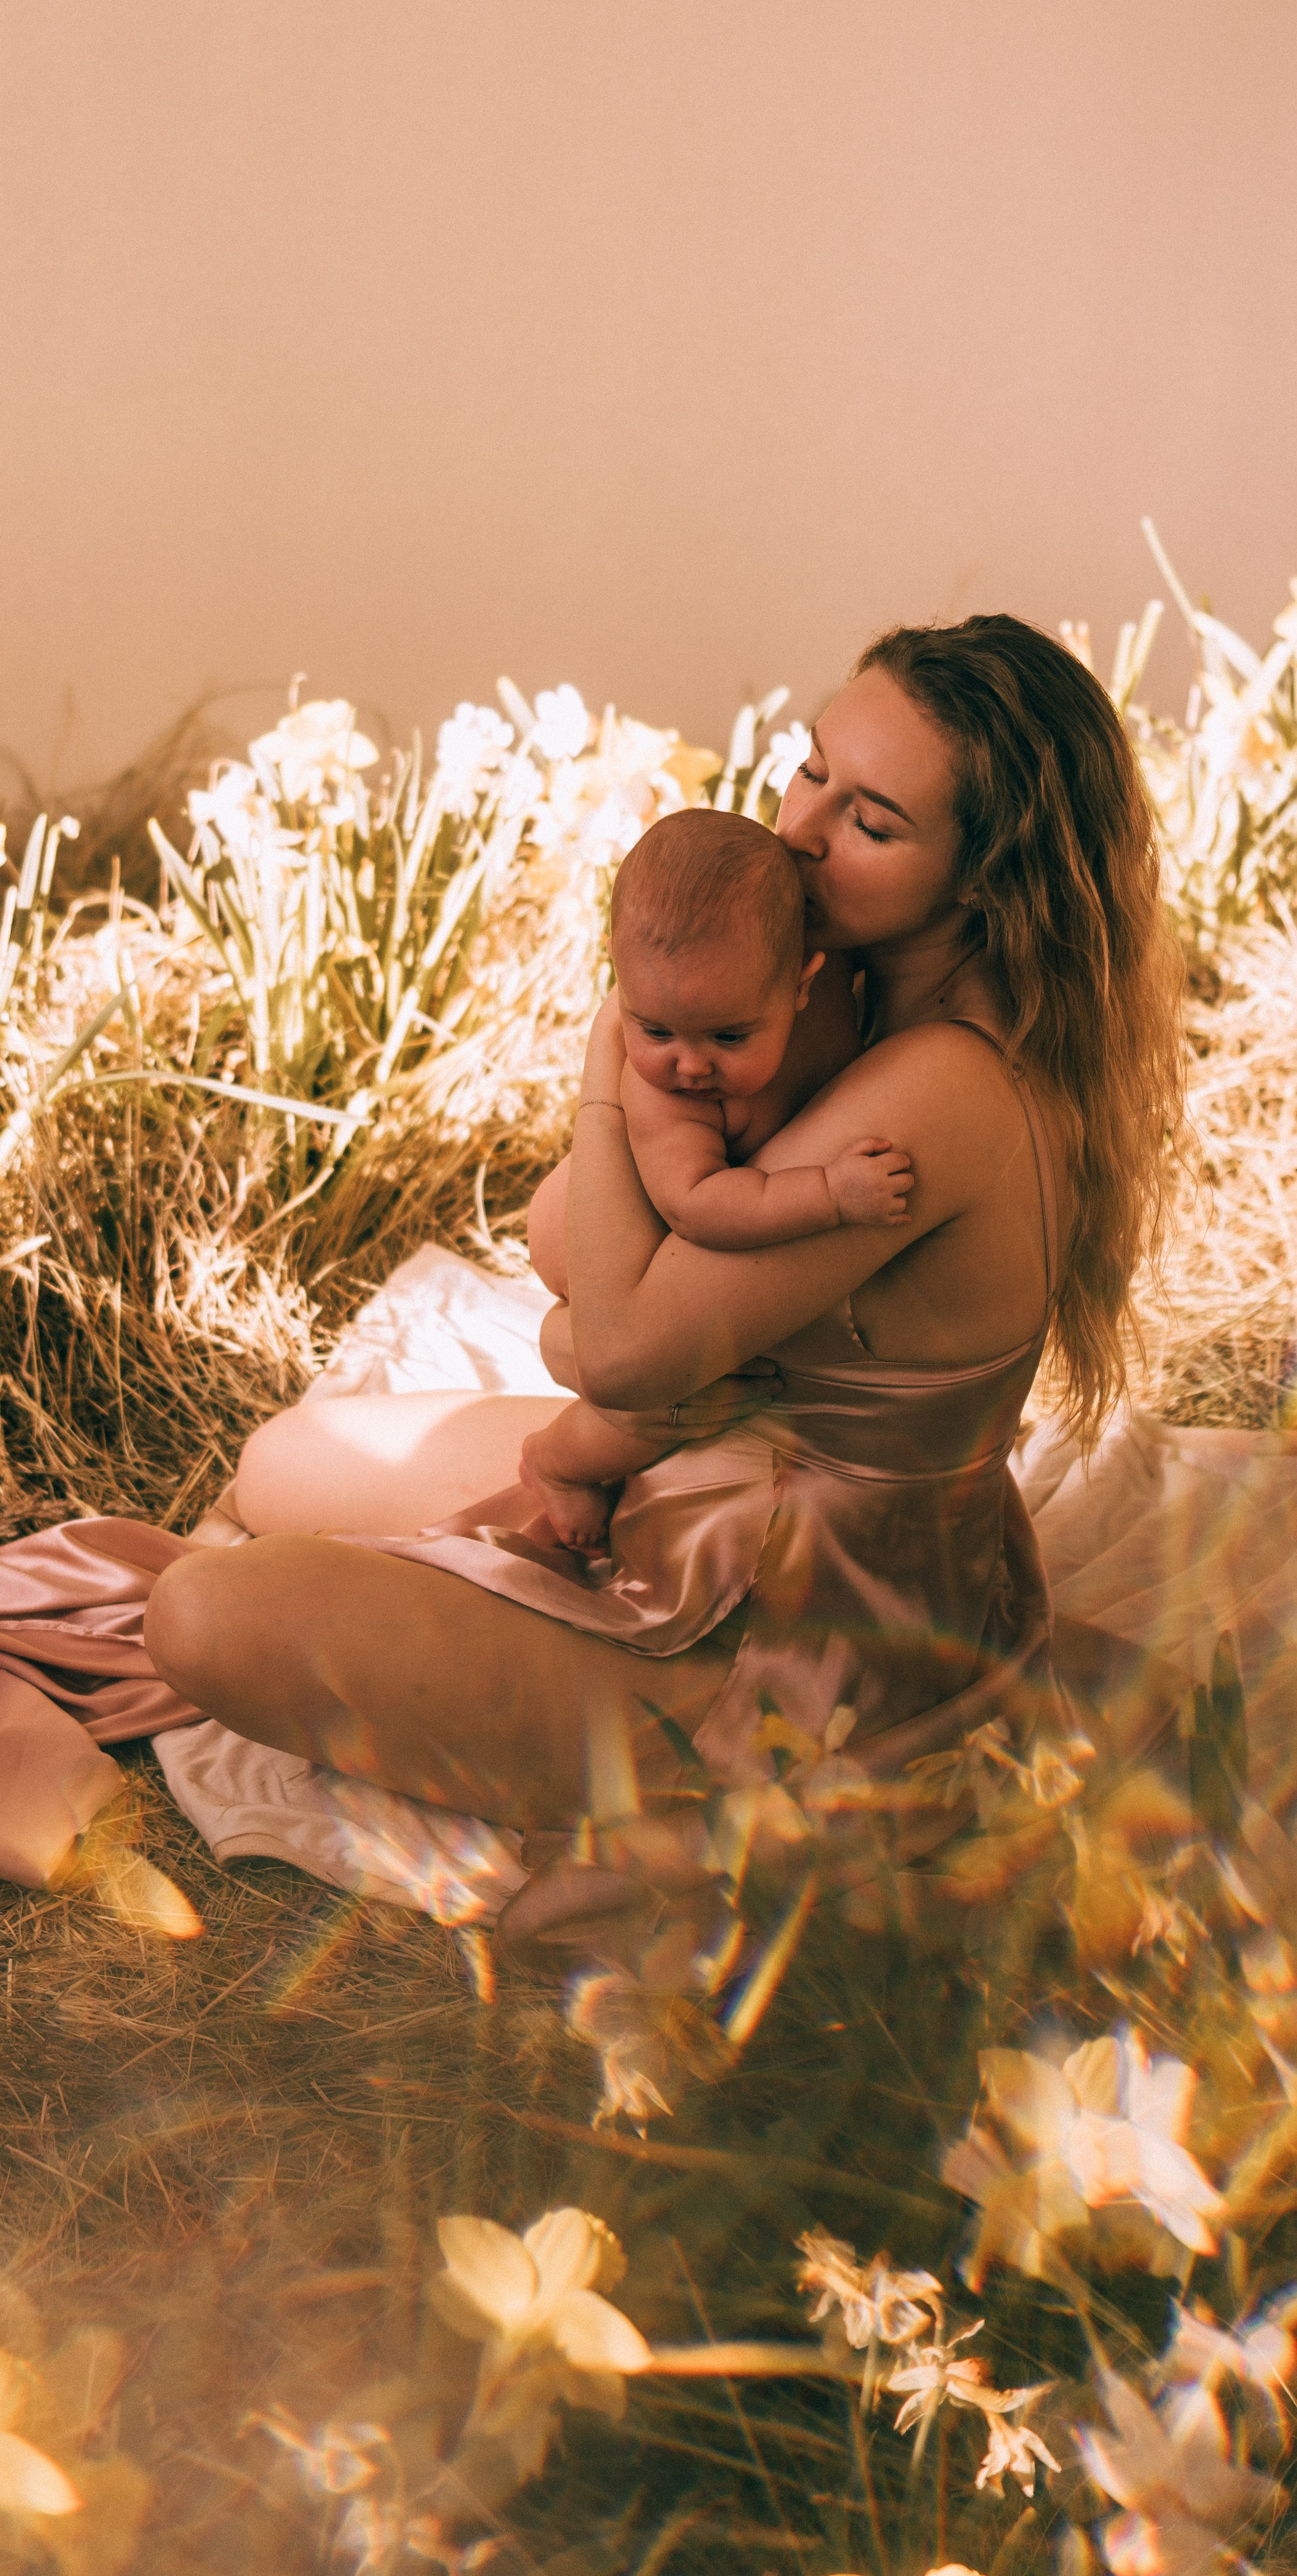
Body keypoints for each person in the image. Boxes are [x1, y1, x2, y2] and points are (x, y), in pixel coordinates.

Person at [143, 614, 1183, 1970]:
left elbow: (624, 1345)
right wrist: (611, 1269)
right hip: (728, 1467)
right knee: (286, 1465)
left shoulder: (938, 1090)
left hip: (812, 1638)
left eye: (869, 820)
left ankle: (806, 1809)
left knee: (199, 1613)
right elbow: (557, 1239)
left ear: (988, 880)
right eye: (811, 770)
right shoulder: (836, 987)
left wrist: (608, 1041)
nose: (801, 830)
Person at [519, 806, 913, 1549]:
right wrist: (830, 1194)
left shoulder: (827, 978)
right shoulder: (667, 1097)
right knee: (667, 1396)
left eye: (727, 1037)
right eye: (652, 1029)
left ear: (802, 984)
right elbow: (699, 1205)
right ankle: (558, 1462)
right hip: (604, 1231)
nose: (688, 1063)